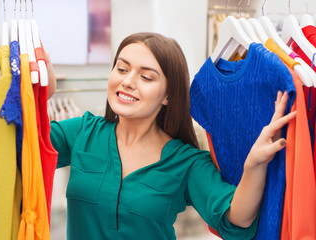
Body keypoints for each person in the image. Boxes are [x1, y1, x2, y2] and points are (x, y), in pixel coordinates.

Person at [46, 32, 296, 240]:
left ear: (168, 96)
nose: (128, 81)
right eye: (122, 69)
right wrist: (42, 93)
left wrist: (254, 164)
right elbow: (23, 148)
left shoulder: (187, 161)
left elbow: (237, 218)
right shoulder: (82, 132)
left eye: (146, 76)